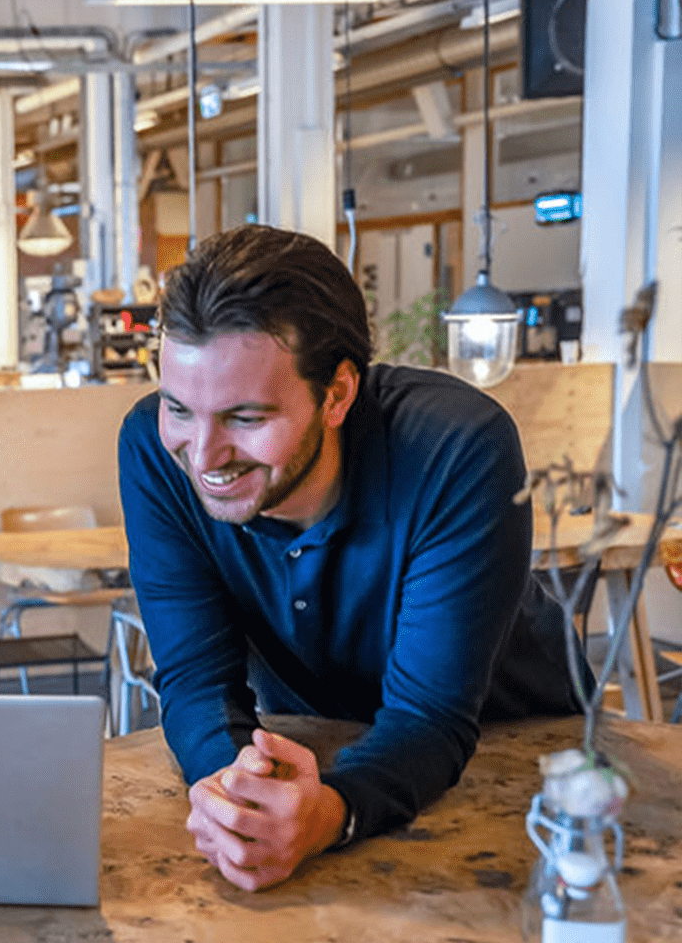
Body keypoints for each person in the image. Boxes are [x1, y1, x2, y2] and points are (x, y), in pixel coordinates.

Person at [117, 225, 584, 891]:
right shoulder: (151, 452)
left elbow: (430, 717)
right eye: (179, 409)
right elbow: (195, 678)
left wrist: (331, 814)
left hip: (521, 763)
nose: (202, 455)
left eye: (245, 418)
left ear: (337, 394)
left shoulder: (456, 449)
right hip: (320, 758)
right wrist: (235, 793)